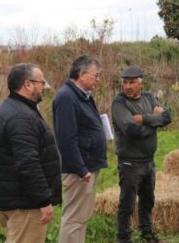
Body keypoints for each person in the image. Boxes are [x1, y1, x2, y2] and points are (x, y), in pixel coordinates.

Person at [0, 63, 61, 243]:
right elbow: (28, 163)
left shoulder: (12, 107)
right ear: (28, 84)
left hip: (13, 197)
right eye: (41, 82)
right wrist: (44, 200)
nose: (44, 87)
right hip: (25, 204)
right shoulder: (21, 116)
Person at [111, 66, 171, 243]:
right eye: (125, 83)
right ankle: (124, 238)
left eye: (132, 82)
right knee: (127, 205)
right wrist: (154, 122)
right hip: (130, 163)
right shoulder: (119, 103)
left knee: (147, 200)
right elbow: (131, 131)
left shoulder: (149, 97)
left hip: (149, 162)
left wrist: (144, 119)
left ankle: (146, 233)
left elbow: (168, 117)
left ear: (141, 83)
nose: (128, 86)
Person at [53, 55, 108, 243]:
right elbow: (66, 139)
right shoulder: (66, 97)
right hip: (79, 170)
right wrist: (80, 168)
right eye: (96, 75)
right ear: (82, 74)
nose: (98, 79)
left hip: (87, 166)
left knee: (81, 217)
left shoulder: (81, 95)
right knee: (74, 218)